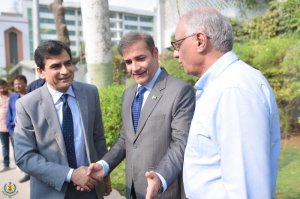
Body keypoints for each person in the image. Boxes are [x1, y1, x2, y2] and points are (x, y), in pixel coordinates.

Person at [172, 7, 281, 199]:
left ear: (200, 40)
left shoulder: (233, 90)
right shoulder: (224, 85)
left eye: (178, 44)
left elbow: (247, 191)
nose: (175, 54)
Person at [87, 31, 195, 199]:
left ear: (155, 53)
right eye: (128, 62)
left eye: (140, 58)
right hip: (133, 190)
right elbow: (126, 138)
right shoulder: (128, 94)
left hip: (165, 191)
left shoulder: (180, 91)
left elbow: (181, 144)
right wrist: (104, 165)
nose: (134, 68)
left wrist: (159, 177)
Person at [13, 40, 111, 199]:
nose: (65, 71)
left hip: (90, 187)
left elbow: (98, 138)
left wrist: (105, 173)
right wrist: (71, 174)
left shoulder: (90, 92)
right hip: (50, 191)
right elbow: (25, 157)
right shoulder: (26, 105)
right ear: (41, 71)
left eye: (68, 63)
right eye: (55, 66)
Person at [6, 74, 30, 182]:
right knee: (20, 152)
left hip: (31, 129)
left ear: (25, 83)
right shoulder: (12, 98)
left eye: (19, 83)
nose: (17, 86)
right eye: (15, 84)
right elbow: (9, 115)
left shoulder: (31, 95)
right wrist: (11, 132)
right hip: (16, 131)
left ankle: (35, 173)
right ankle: (27, 173)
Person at [0, 79, 11, 172]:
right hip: (1, 127)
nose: (2, 89)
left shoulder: (13, 96)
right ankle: (6, 164)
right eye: (0, 88)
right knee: (4, 146)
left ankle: (20, 164)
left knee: (17, 146)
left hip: (12, 126)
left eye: (3, 87)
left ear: (7, 86)